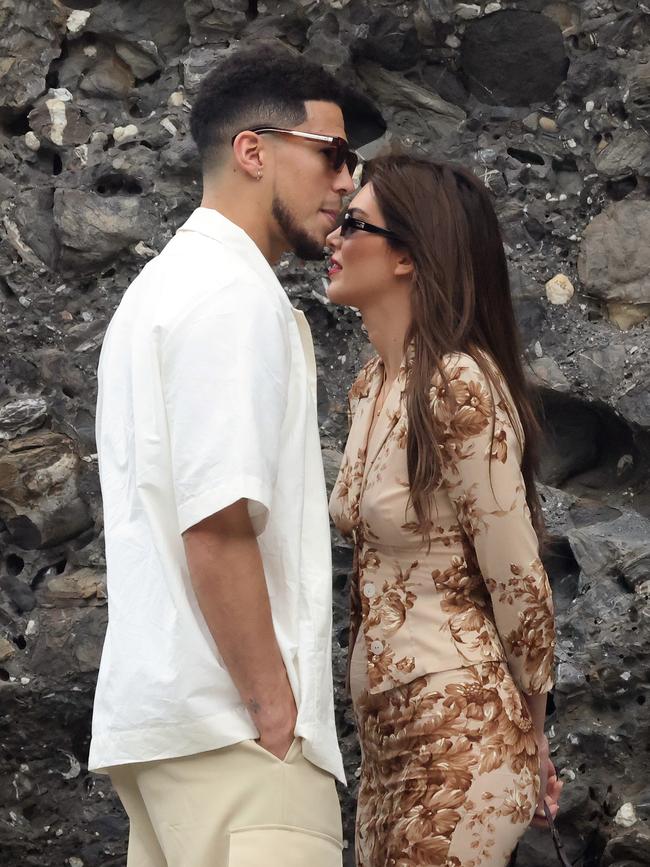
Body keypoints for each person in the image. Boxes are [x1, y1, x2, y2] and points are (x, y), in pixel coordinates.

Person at [88, 45, 380, 867]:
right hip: (237, 739)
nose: (345, 183)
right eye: (331, 154)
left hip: (173, 727)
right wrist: (274, 709)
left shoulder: (160, 290)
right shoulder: (232, 296)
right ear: (254, 151)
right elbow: (216, 521)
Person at [327, 154, 562, 867]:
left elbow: (519, 577)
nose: (332, 238)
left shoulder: (456, 383)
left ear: (408, 255)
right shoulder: (371, 385)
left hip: (462, 726)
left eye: (353, 223)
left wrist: (534, 730)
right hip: (387, 737)